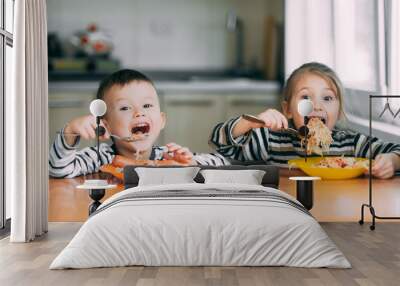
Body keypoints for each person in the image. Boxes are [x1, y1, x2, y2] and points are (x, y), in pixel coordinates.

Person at [209, 62, 400, 179]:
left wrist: (392, 161)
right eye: (306, 98)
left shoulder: (352, 144)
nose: (316, 106)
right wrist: (251, 122)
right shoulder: (271, 142)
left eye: (327, 98)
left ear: (339, 110)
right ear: (288, 110)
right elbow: (219, 142)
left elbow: (397, 151)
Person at [49, 69, 228, 178]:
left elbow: (222, 162)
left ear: (162, 120)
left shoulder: (167, 157)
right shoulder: (99, 157)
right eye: (125, 108)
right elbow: (59, 169)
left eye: (147, 105)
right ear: (106, 125)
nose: (139, 112)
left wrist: (192, 162)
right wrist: (70, 131)